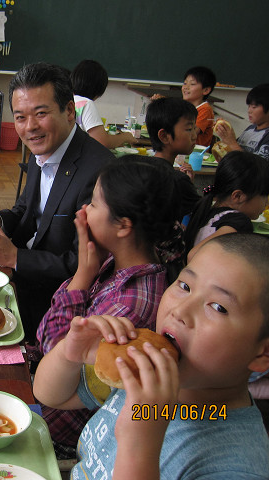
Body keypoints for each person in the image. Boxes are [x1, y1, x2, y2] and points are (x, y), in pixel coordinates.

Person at [34, 233, 269, 479]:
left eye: (218, 307)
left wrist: (139, 445)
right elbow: (50, 395)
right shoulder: (140, 371)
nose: (180, 311)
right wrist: (69, 354)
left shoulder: (237, 467)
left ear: (263, 353)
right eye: (185, 286)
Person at [36, 157, 180, 458]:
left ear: (123, 226)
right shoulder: (116, 260)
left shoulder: (131, 307)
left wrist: (82, 275)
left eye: (94, 203)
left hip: (52, 428)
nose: (84, 210)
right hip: (39, 385)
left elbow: (54, 349)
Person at [0, 62, 114, 342]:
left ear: (69, 111)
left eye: (41, 114)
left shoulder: (99, 173)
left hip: (55, 302)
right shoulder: (43, 149)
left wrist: (15, 257)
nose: (30, 127)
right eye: (20, 117)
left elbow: (85, 265)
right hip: (20, 277)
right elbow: (25, 211)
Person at [184, 151, 269, 261]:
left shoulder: (208, 207)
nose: (266, 203)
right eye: (264, 195)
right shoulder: (239, 222)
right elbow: (194, 255)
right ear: (238, 196)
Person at [145, 97, 201, 218]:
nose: (194, 135)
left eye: (194, 128)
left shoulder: (144, 168)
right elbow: (201, 213)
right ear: (164, 136)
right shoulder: (177, 180)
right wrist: (189, 186)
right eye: (189, 129)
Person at [70, 60, 138, 149]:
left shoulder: (69, 99)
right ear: (98, 89)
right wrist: (125, 137)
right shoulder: (86, 104)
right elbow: (102, 142)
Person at [214, 83, 269, 161]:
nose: (249, 111)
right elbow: (231, 151)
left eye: (254, 107)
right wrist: (225, 136)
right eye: (249, 106)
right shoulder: (250, 129)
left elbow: (258, 168)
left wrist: (232, 143)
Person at [182, 66, 217, 147]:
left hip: (196, 154)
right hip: (183, 149)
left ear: (206, 90)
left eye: (192, 84)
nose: (186, 87)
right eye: (185, 83)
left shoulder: (205, 110)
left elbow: (191, 133)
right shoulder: (185, 107)